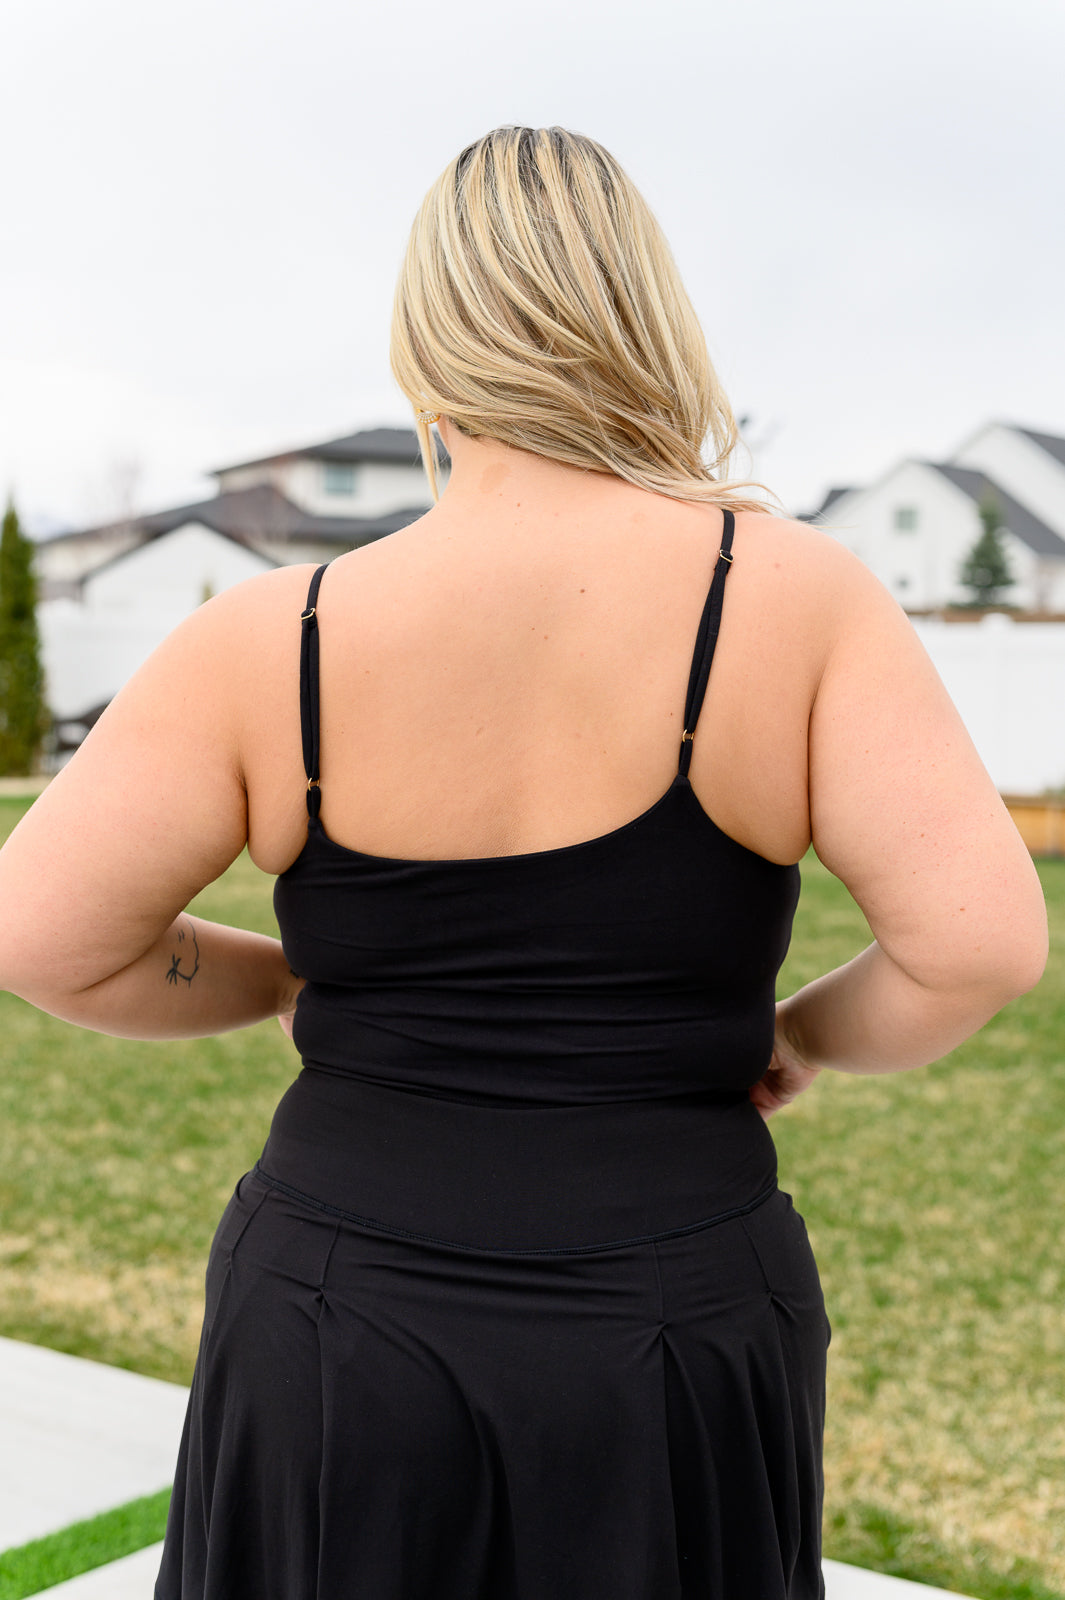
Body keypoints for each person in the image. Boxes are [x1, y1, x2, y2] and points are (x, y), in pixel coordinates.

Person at [0, 126, 1047, 1600]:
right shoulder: (794, 597)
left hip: (333, 1322)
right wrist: (794, 1035)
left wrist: (280, 984)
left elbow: (47, 939)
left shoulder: (270, 636)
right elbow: (980, 945)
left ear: (426, 345)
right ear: (646, 316)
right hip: (673, 1312)